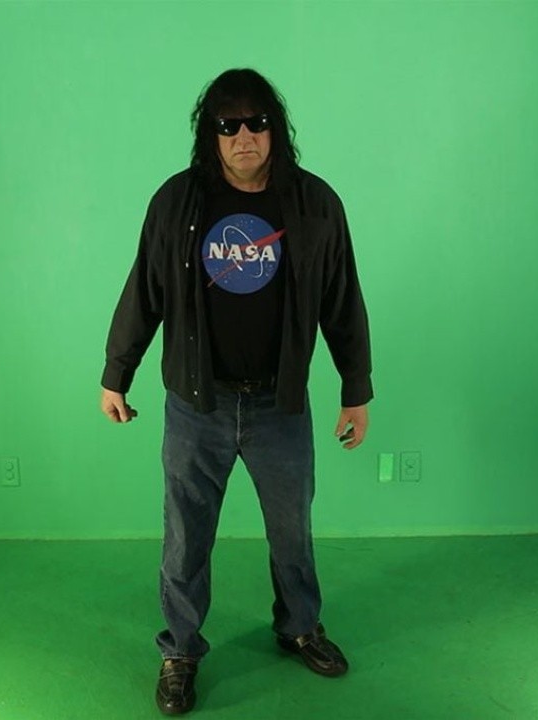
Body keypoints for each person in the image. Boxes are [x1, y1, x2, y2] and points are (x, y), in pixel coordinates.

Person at [100, 67, 373, 716]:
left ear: (276, 129)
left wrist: (355, 388)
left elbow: (341, 300)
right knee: (185, 537)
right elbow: (146, 291)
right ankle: (180, 651)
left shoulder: (314, 204)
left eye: (257, 122)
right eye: (228, 125)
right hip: (198, 406)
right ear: (211, 134)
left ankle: (299, 626)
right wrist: (117, 372)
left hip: (281, 405)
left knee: (292, 532)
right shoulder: (177, 203)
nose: (244, 136)